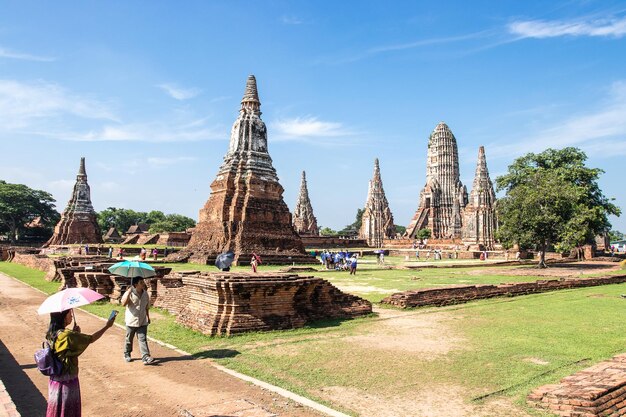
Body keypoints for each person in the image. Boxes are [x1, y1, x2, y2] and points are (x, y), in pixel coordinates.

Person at [46, 308, 115, 416]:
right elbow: (91, 339)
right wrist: (107, 326)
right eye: (69, 313)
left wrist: (74, 333)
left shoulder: (52, 333)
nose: (71, 316)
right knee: (68, 411)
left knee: (56, 410)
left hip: (55, 380)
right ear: (63, 317)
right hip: (67, 381)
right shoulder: (67, 336)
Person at [121, 277, 154, 365]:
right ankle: (127, 354)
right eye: (141, 282)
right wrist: (128, 292)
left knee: (142, 339)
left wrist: (148, 317)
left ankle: (145, 357)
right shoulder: (130, 293)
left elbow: (146, 307)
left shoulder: (145, 294)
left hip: (142, 320)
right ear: (135, 284)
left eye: (143, 281)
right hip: (131, 320)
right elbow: (123, 303)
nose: (143, 283)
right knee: (129, 339)